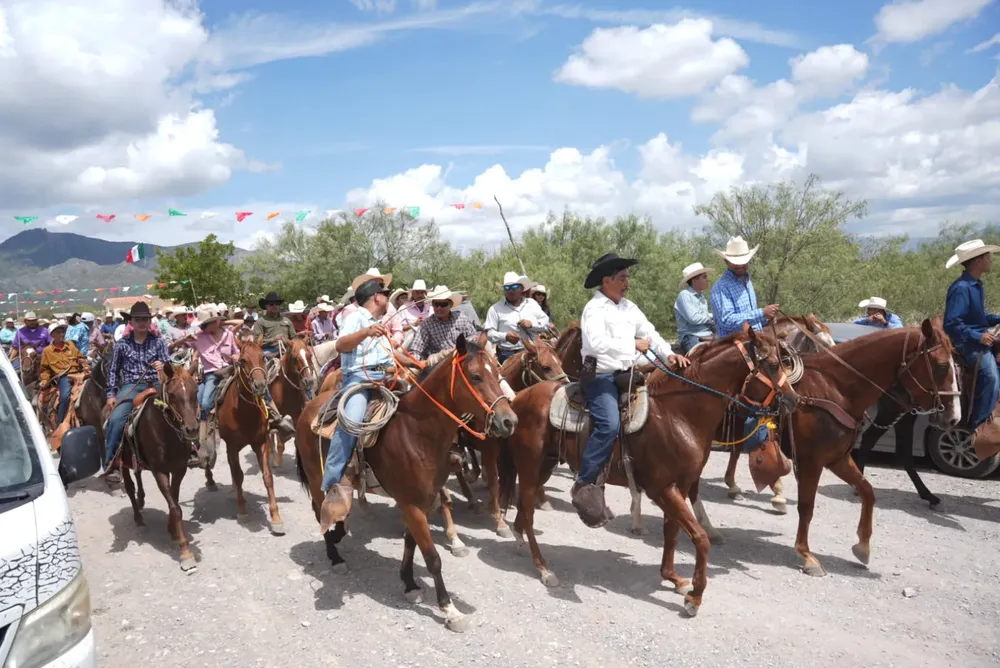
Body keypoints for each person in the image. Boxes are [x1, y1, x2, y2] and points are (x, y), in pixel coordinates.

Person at [573, 253, 690, 527]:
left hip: (626, 373)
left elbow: (650, 332)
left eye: (627, 278)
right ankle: (584, 482)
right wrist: (632, 345)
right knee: (609, 424)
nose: (627, 283)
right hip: (599, 376)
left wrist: (668, 354)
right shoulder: (594, 309)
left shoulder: (628, 307)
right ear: (607, 280)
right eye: (623, 278)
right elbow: (595, 344)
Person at [319, 278, 412, 523]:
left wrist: (422, 364)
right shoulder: (356, 317)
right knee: (351, 421)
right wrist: (366, 332)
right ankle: (333, 483)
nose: (388, 298)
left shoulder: (378, 323)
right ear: (376, 297)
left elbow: (394, 354)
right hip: (360, 379)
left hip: (388, 377)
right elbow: (341, 345)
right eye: (385, 294)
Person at [104, 302, 171, 484]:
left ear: (149, 322)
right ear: (131, 322)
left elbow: (170, 367)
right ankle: (112, 464)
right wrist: (111, 394)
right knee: (116, 419)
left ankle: (192, 448)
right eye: (138, 319)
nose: (141, 322)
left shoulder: (159, 342)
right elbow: (113, 370)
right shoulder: (121, 344)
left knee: (181, 406)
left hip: (156, 383)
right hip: (132, 386)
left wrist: (163, 366)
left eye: (145, 319)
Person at [943, 239, 1000, 433]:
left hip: (974, 337)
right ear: (978, 261)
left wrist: (996, 318)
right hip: (965, 342)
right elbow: (951, 323)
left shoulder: (975, 285)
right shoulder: (961, 288)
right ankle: (979, 426)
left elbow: (977, 317)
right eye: (987, 257)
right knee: (990, 377)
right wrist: (978, 336)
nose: (990, 260)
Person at [249, 292, 298, 438]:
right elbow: (257, 342)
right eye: (272, 304)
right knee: (263, 377)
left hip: (287, 351)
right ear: (266, 306)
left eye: (277, 304)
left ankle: (308, 398)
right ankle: (271, 409)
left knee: (304, 368)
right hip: (269, 352)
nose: (275, 306)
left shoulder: (286, 321)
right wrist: (273, 340)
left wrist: (291, 343)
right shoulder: (261, 322)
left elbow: (294, 338)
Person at [189, 306, 240, 449]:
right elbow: (181, 345)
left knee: (255, 384)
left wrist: (236, 355)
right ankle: (204, 431)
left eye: (206, 324)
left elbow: (236, 351)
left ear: (215, 322)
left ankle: (272, 414)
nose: (203, 327)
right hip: (212, 374)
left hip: (230, 369)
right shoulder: (198, 337)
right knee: (205, 404)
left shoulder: (229, 334)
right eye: (202, 324)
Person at [710, 236, 779, 338]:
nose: (740, 265)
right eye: (735, 262)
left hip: (754, 338)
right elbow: (727, 321)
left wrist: (765, 319)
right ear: (726, 262)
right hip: (733, 342)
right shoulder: (721, 288)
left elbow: (749, 317)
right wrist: (762, 313)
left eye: (743, 262)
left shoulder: (748, 282)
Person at [484, 271, 550, 364]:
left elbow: (546, 322)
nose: (511, 290)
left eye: (514, 287)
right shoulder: (495, 309)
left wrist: (532, 324)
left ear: (521, 288)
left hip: (533, 352)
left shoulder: (532, 304)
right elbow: (489, 333)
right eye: (507, 288)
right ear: (504, 290)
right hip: (508, 354)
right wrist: (505, 336)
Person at [408, 285, 477, 361]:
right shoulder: (426, 326)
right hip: (440, 364)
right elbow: (415, 350)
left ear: (450, 305)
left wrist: (461, 346)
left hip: (463, 360)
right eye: (436, 304)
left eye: (443, 304)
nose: (439, 308)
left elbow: (474, 336)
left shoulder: (461, 319)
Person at [39, 322, 88, 424]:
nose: (62, 334)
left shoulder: (71, 345)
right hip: (65, 377)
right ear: (52, 335)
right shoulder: (47, 351)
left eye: (63, 332)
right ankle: (60, 423)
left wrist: (85, 365)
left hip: (79, 374)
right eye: (58, 332)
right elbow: (45, 369)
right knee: (65, 397)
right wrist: (44, 380)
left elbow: (80, 358)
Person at [674, 262, 715, 354]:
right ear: (694, 280)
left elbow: (702, 317)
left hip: (706, 333)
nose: (707, 280)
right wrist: (713, 317)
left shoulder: (702, 297)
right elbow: (693, 318)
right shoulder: (684, 295)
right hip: (691, 336)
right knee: (699, 357)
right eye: (704, 277)